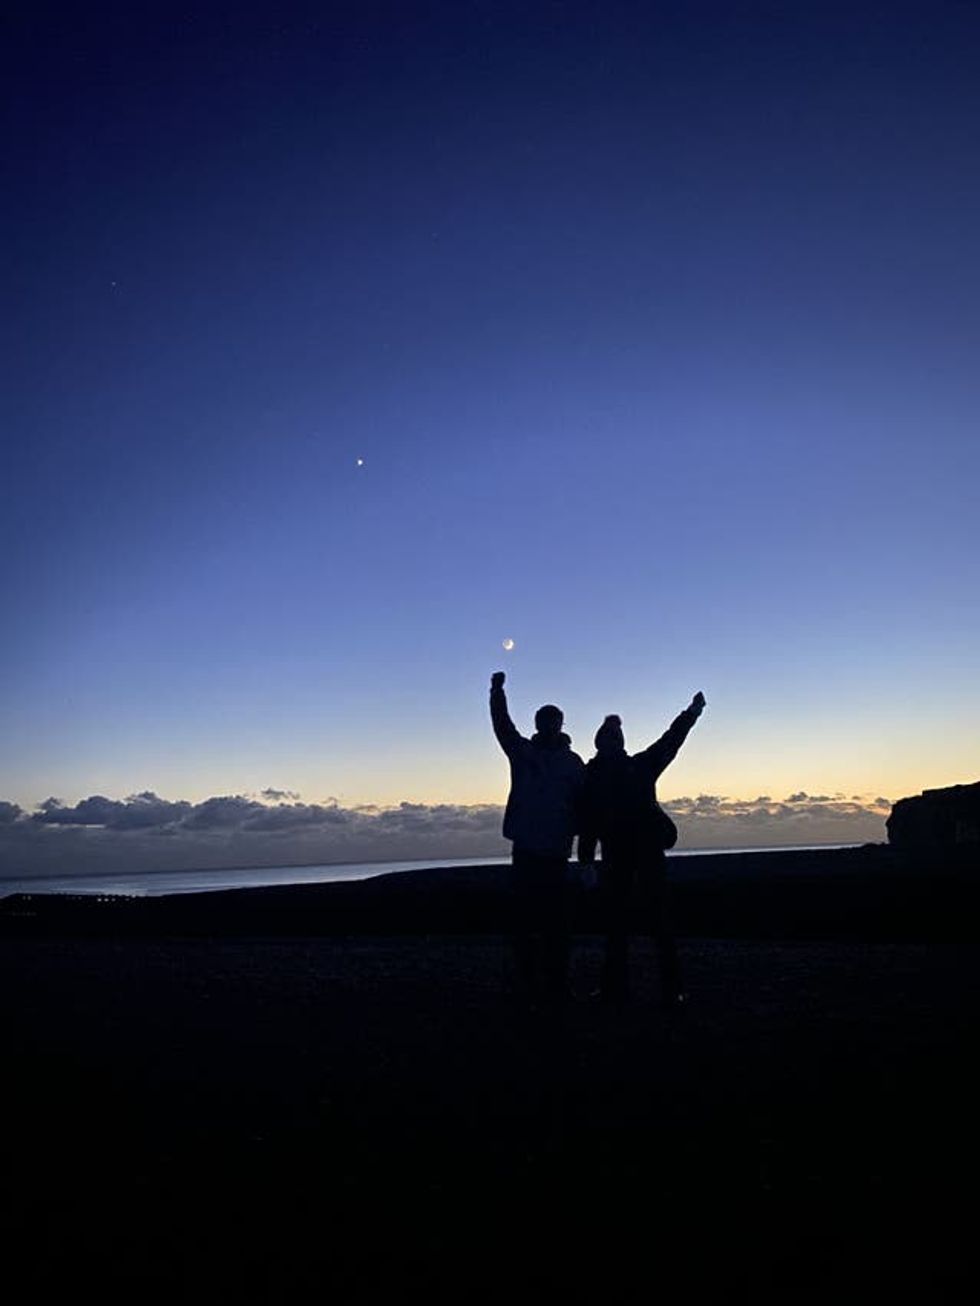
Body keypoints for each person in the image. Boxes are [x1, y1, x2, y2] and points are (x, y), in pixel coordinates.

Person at [578, 692, 706, 1007]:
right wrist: (585, 861)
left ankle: (671, 989)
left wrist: (691, 712)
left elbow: (671, 740)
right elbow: (588, 820)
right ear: (600, 743)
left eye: (615, 738)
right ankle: (616, 989)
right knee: (618, 926)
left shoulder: (639, 766)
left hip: (646, 854)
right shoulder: (592, 777)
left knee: (657, 923)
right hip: (619, 858)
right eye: (608, 738)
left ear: (618, 742)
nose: (611, 743)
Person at [489, 670, 585, 1010]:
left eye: (553, 721)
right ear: (539, 723)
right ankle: (526, 985)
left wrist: (584, 851)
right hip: (526, 851)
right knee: (525, 924)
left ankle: (557, 986)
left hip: (556, 854)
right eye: (544, 721)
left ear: (560, 724)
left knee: (557, 927)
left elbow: (584, 808)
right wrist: (496, 693)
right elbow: (503, 726)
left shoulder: (574, 764)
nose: (549, 726)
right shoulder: (523, 753)